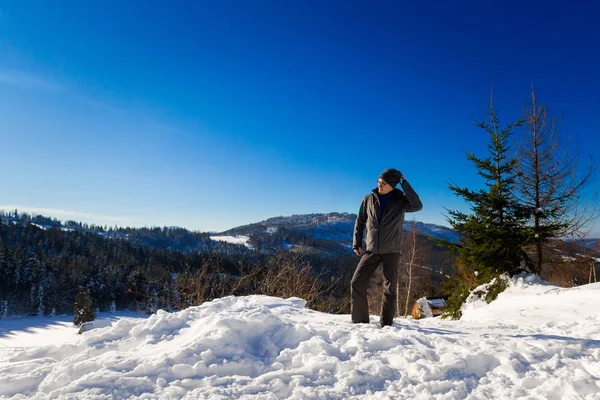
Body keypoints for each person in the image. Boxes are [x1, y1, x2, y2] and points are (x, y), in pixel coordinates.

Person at [351, 168, 422, 327]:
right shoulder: (368, 199)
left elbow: (417, 205)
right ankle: (360, 323)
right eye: (378, 182)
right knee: (356, 283)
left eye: (383, 183)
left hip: (391, 251)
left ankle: (386, 325)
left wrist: (405, 184)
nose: (379, 185)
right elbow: (360, 221)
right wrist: (356, 242)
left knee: (389, 290)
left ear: (392, 185)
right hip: (371, 250)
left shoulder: (401, 201)